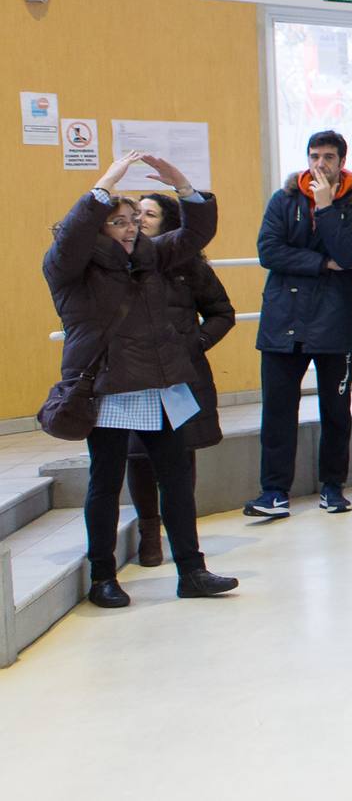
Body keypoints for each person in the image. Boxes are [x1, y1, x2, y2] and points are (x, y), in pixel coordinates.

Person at [43, 151, 238, 606]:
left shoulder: (155, 255)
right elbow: (71, 237)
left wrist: (184, 188)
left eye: (134, 220)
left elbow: (197, 232)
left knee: (177, 483)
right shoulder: (70, 268)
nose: (131, 228)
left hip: (162, 385)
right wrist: (106, 183)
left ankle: (192, 570)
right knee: (105, 484)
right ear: (98, 228)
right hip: (108, 389)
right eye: (119, 221)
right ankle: (102, 577)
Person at [244, 130, 352, 519]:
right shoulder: (284, 199)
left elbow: (350, 251)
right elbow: (269, 251)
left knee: (336, 410)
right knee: (278, 410)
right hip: (283, 323)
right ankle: (273, 492)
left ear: (341, 162)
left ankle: (333, 487)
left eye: (329, 157)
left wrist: (326, 208)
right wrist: (323, 264)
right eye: (315, 155)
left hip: (335, 323)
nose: (321, 163)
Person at [123, 192, 235, 566]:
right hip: (135, 375)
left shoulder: (189, 265)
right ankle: (149, 533)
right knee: (137, 455)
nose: (140, 220)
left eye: (149, 214)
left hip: (181, 376)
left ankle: (183, 533)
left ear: (168, 222)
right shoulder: (117, 262)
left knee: (181, 457)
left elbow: (221, 312)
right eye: (135, 213)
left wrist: (196, 343)